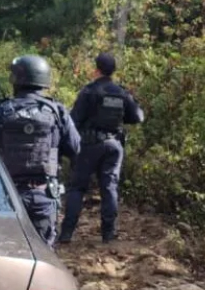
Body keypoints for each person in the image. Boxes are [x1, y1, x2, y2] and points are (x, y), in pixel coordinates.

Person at [0, 55, 81, 248]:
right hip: (42, 196)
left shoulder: (0, 111)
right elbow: (76, 149)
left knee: (7, 252)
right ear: (44, 81)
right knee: (43, 255)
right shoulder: (57, 112)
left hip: (7, 196)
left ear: (16, 81)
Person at [58, 52, 144, 244]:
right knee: (109, 188)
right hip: (114, 146)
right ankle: (108, 234)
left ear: (96, 70)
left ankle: (66, 234)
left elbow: (73, 121)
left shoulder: (89, 92)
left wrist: (68, 147)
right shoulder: (121, 93)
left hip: (89, 146)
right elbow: (138, 117)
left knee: (77, 188)